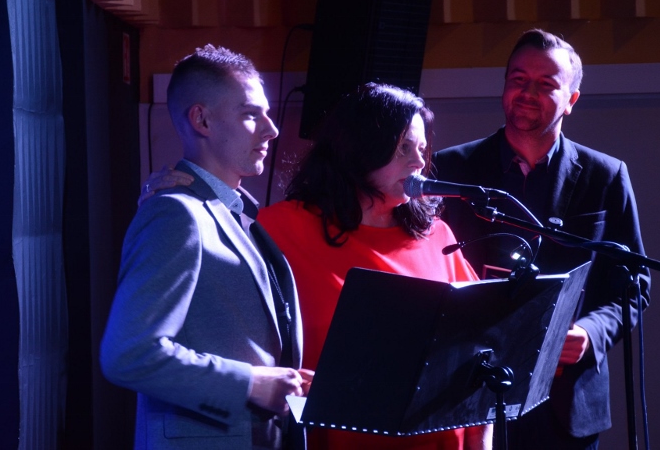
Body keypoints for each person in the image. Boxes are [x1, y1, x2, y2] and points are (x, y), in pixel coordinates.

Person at [143, 83, 492, 450]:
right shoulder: (279, 228)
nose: (419, 162)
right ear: (360, 148)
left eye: (422, 149)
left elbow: (481, 347)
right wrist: (171, 199)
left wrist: (480, 444)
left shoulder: (438, 236)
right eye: (404, 147)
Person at [433, 28, 651, 449]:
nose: (527, 93)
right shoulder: (451, 169)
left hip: (565, 404)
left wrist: (590, 333)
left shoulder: (606, 176)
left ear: (571, 100)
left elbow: (634, 285)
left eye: (546, 84)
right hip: (467, 394)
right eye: (518, 79)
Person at [101, 45, 312, 450]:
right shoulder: (175, 213)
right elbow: (129, 354)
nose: (272, 129)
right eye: (251, 114)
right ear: (201, 120)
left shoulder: (236, 212)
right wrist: (249, 383)